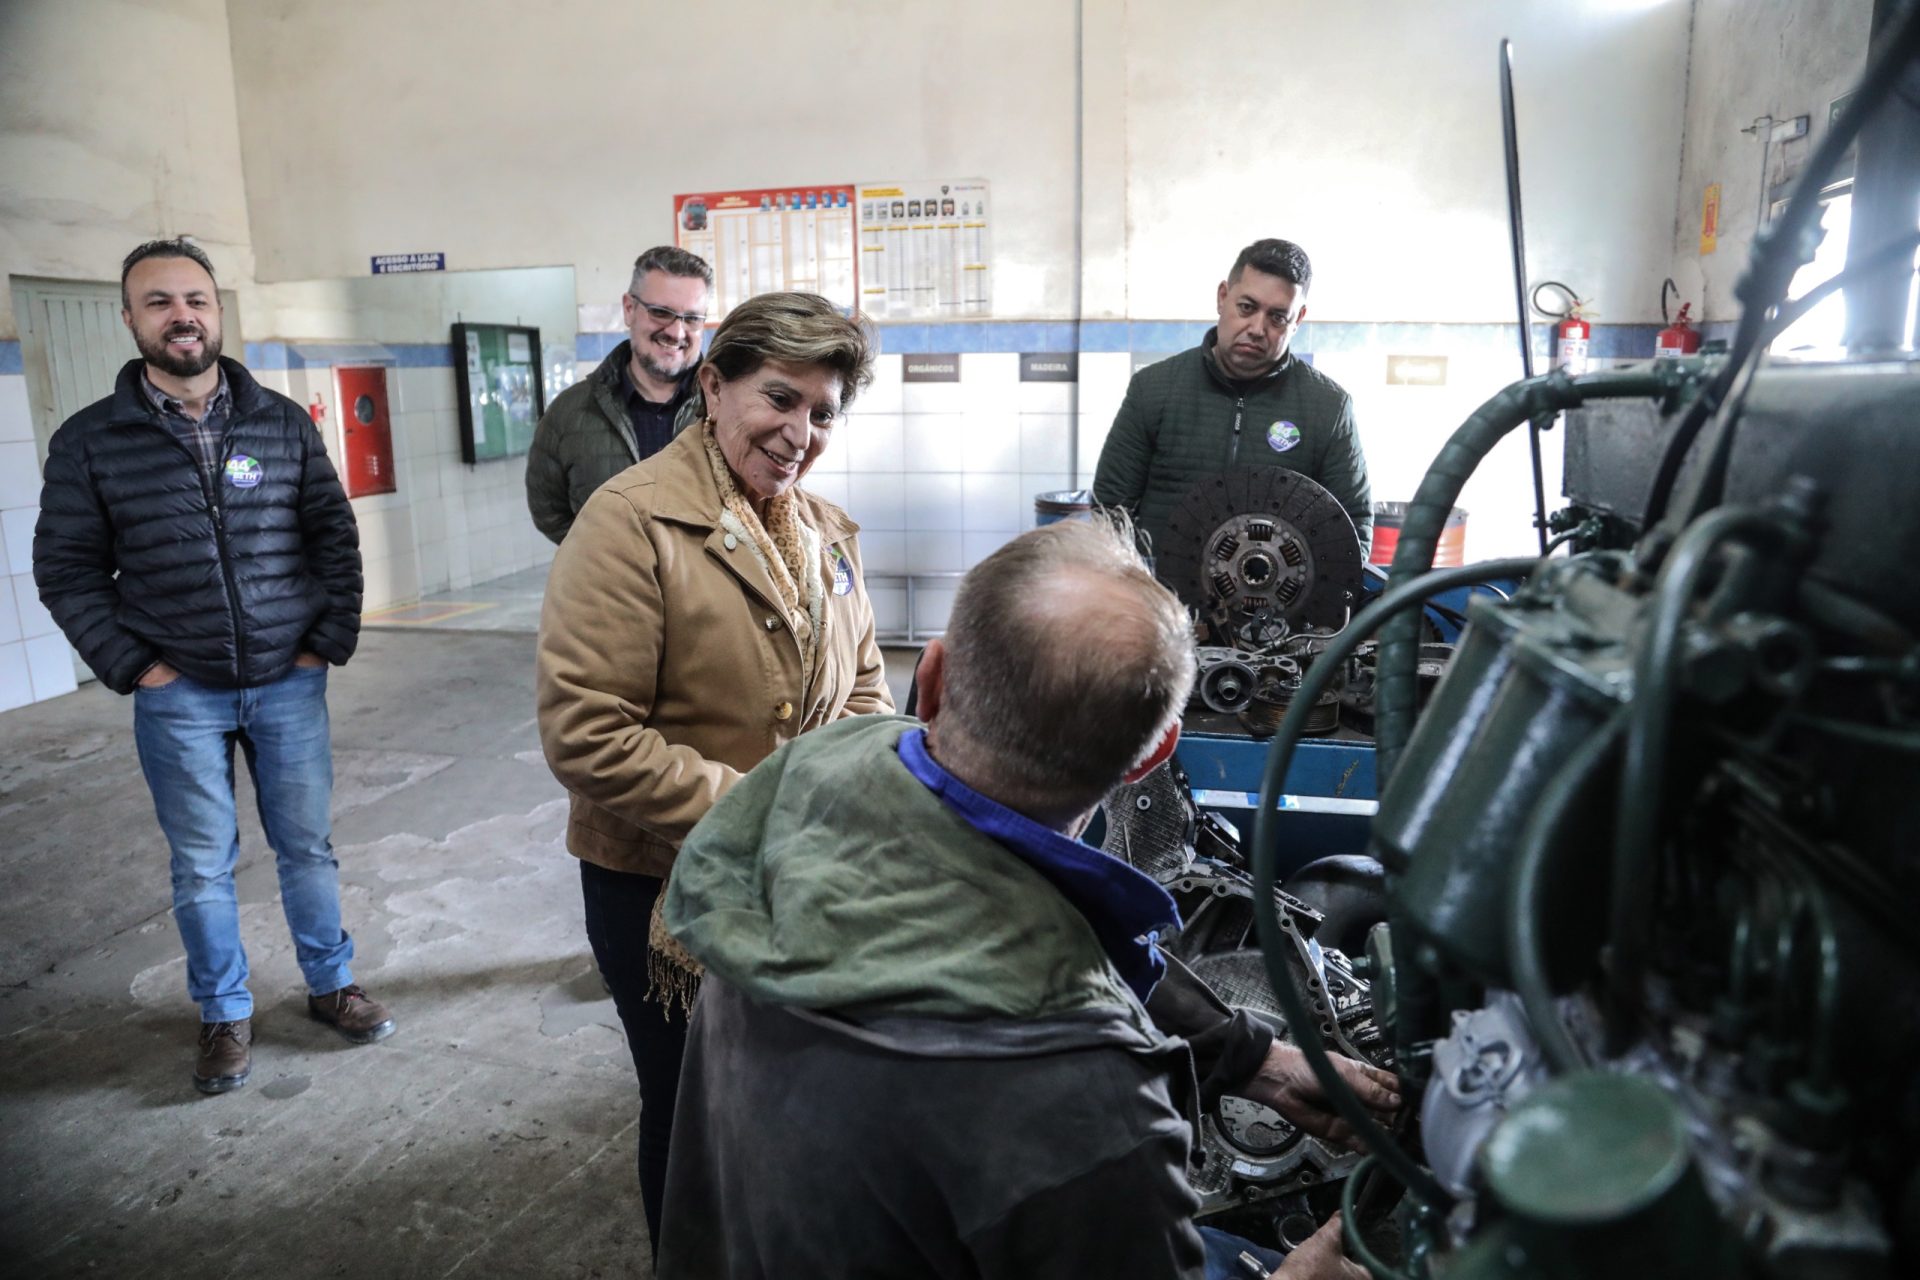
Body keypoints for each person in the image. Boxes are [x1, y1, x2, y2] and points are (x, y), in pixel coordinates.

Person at [655, 517, 1388, 1279]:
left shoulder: (805, 788)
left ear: (930, 679)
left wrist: (1254, 1058)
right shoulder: (1090, 1105)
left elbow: (1043, 930)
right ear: (1156, 754)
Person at [535, 291, 893, 1254]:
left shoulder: (823, 531)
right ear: (712, 384)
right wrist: (759, 810)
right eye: (778, 398)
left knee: (780, 1100)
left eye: (822, 412)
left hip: (797, 871)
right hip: (662, 883)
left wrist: (856, 797)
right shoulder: (631, 522)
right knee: (693, 1107)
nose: (799, 433)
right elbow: (586, 730)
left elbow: (863, 691)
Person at [32, 238, 392, 1097]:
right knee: (201, 864)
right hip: (179, 690)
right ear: (131, 320)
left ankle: (329, 984)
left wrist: (322, 643)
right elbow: (66, 569)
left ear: (219, 312)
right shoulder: (90, 443)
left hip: (287, 678)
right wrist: (136, 667)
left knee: (306, 845)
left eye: (195, 298)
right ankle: (224, 1012)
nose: (181, 315)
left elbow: (332, 538)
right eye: (158, 302)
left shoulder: (279, 422)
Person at [1092, 238, 1374, 564]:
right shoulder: (1153, 389)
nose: (1257, 328)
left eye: (1278, 317)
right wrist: (1138, 597)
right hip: (1162, 605)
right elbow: (1110, 511)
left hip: (1279, 610)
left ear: (1298, 320)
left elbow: (1351, 527)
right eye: (1247, 307)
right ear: (1223, 297)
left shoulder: (1329, 408)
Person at [525, 245, 712, 543]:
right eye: (661, 312)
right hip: (608, 589)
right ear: (629, 309)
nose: (676, 333)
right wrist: (606, 562)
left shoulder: (727, 408)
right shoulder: (569, 413)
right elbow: (549, 510)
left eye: (691, 318)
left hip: (704, 590)